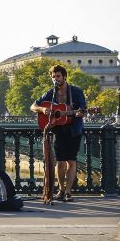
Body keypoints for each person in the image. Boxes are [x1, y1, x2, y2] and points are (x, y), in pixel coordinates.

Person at [30, 65, 86, 202]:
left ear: (64, 76)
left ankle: (68, 192)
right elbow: (33, 106)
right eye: (53, 77)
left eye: (58, 76)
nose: (56, 79)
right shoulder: (51, 93)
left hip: (74, 130)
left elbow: (82, 110)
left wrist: (79, 113)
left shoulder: (76, 91)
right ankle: (61, 190)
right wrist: (43, 110)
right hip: (58, 130)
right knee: (60, 162)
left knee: (71, 161)